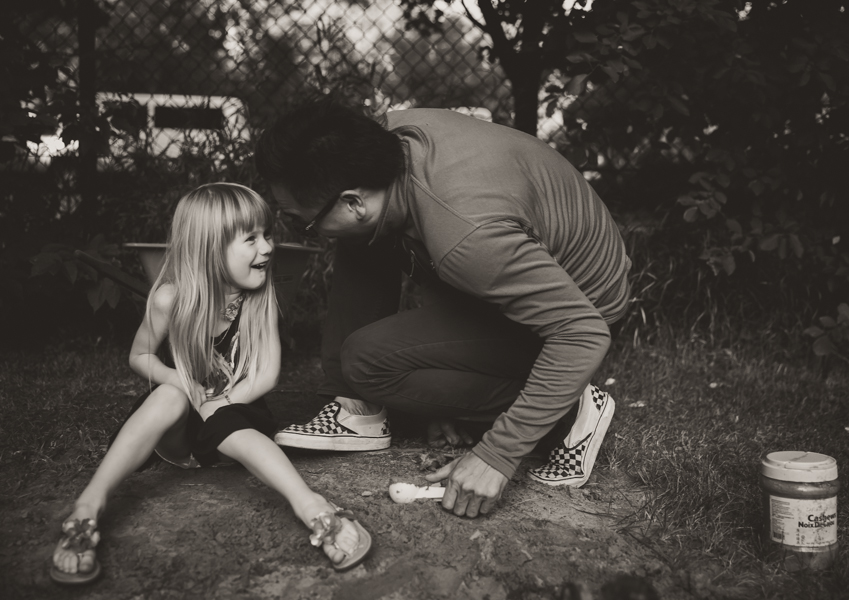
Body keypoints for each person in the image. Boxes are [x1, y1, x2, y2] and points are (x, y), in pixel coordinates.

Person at [255, 99, 631, 519]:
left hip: (574, 311)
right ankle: (355, 409)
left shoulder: (467, 234)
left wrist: (497, 453)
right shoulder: (390, 140)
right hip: (508, 272)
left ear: (353, 201)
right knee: (364, 239)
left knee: (369, 361)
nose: (307, 231)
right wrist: (435, 398)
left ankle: (570, 411)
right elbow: (438, 252)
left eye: (302, 221)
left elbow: (582, 331)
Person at [49, 183, 371, 585]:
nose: (268, 248)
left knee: (225, 418)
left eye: (267, 234)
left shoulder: (259, 299)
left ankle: (314, 507)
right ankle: (88, 506)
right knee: (169, 394)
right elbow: (140, 356)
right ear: (209, 248)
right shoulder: (170, 298)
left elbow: (266, 375)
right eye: (251, 239)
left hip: (232, 427)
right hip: (177, 436)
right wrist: (184, 382)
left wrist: (220, 401)